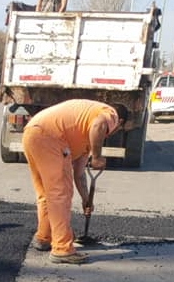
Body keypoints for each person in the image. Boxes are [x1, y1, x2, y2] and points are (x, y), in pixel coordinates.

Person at [22, 99, 128, 264]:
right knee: (60, 194)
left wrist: (86, 199)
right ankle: (62, 249)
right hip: (51, 137)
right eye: (118, 128)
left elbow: (79, 174)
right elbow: (99, 125)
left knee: (46, 193)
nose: (113, 130)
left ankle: (44, 237)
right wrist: (98, 157)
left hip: (33, 133)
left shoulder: (83, 129)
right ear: (120, 122)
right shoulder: (110, 113)